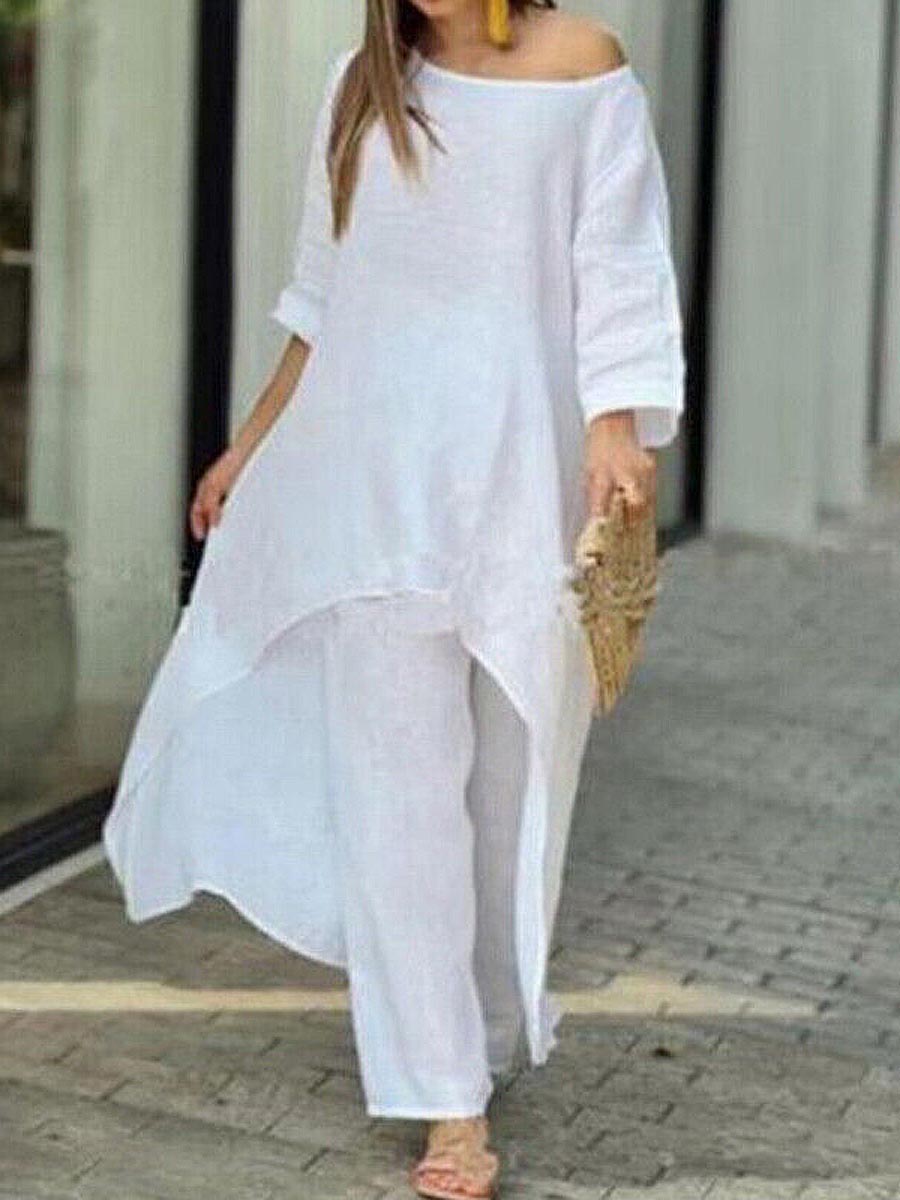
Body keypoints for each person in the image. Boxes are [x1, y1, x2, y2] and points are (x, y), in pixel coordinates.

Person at [102, 1, 686, 1196]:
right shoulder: (362, 87)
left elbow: (618, 267)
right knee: (399, 806)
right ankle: (446, 1103)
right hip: (369, 489)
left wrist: (615, 425)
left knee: (511, 792)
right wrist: (251, 446)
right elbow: (322, 306)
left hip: (520, 486)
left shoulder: (585, 67)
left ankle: (479, 1031)